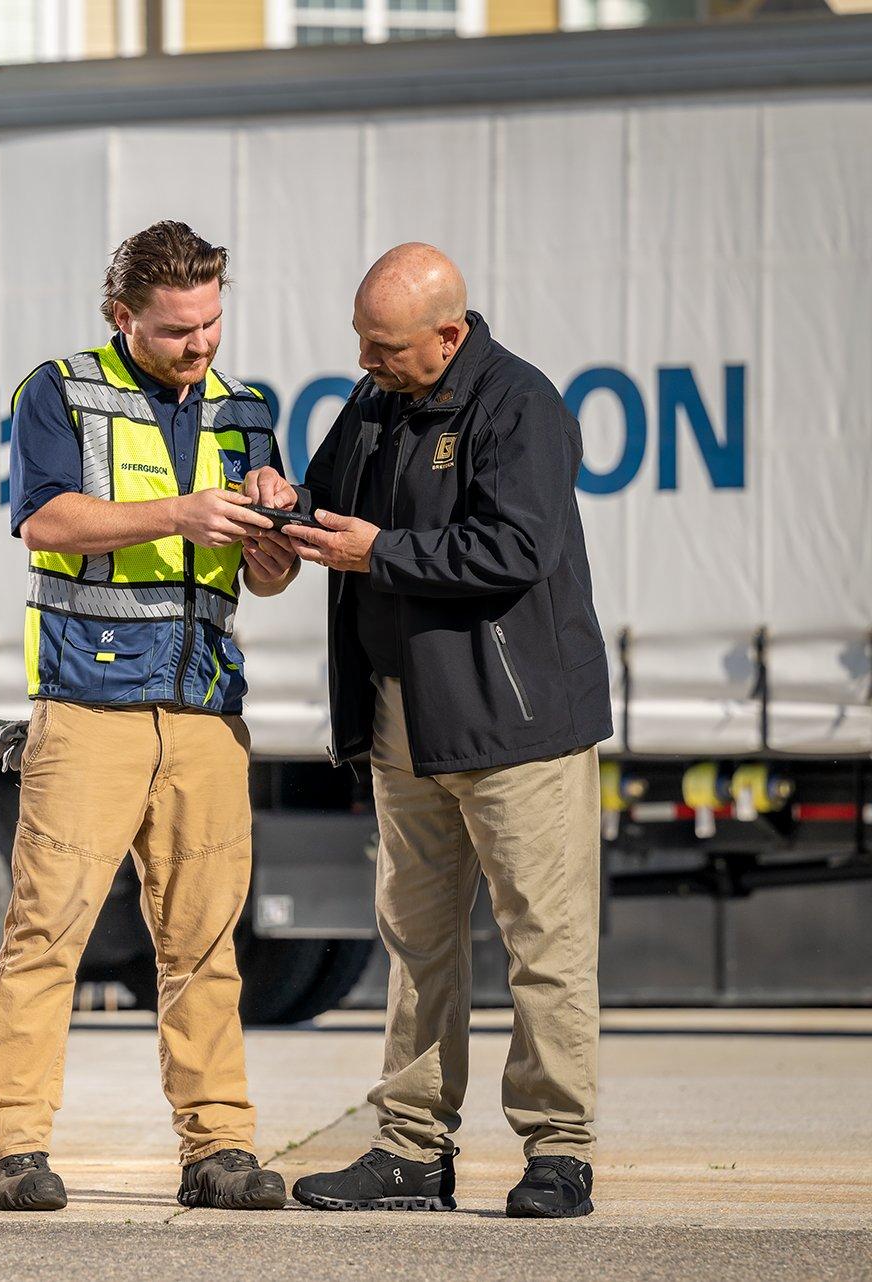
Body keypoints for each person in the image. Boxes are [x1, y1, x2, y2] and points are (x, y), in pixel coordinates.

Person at [249, 243, 611, 1218]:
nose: (367, 362)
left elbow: (520, 546)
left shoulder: (518, 403)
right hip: (404, 719)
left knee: (545, 940)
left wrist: (384, 552)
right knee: (415, 940)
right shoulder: (376, 404)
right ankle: (412, 1149)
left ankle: (559, 1151)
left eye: (385, 346)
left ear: (448, 335)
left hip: (517, 724)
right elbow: (331, 505)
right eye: (362, 344)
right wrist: (289, 512)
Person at [0, 221, 298, 1214]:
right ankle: (15, 1146)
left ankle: (220, 1150)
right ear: (123, 317)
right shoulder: (60, 389)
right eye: (175, 330)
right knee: (47, 930)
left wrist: (276, 540)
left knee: (204, 940)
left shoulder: (249, 410)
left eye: (211, 323)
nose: (199, 345)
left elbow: (262, 576)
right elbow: (46, 520)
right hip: (89, 707)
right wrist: (182, 512)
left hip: (205, 707)